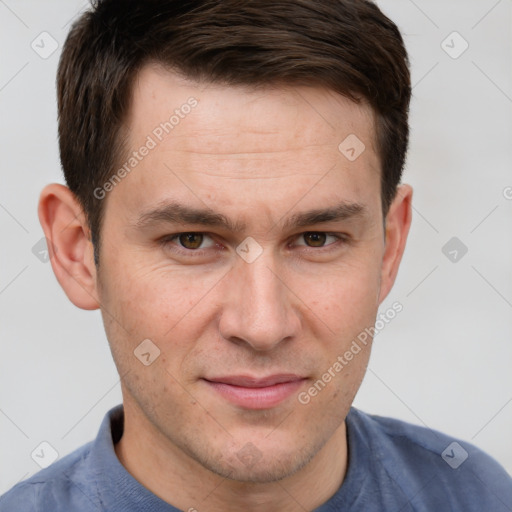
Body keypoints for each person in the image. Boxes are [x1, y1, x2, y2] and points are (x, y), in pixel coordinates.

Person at [1, 0, 511, 510]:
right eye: (192, 240)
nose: (262, 324)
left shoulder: (479, 496)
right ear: (77, 252)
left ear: (389, 246)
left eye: (317, 238)